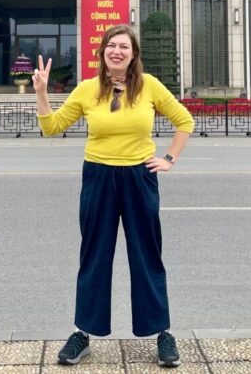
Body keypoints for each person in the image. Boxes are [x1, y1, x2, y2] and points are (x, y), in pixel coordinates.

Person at [33, 24, 194, 367]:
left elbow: (185, 121)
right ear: (103, 52)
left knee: (147, 255)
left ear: (133, 54)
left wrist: (168, 159)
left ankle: (162, 333)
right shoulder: (88, 90)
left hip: (139, 177)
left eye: (123, 46)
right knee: (94, 255)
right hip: (99, 177)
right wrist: (42, 92)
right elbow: (52, 127)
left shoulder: (149, 86)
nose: (116, 51)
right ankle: (83, 333)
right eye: (111, 46)